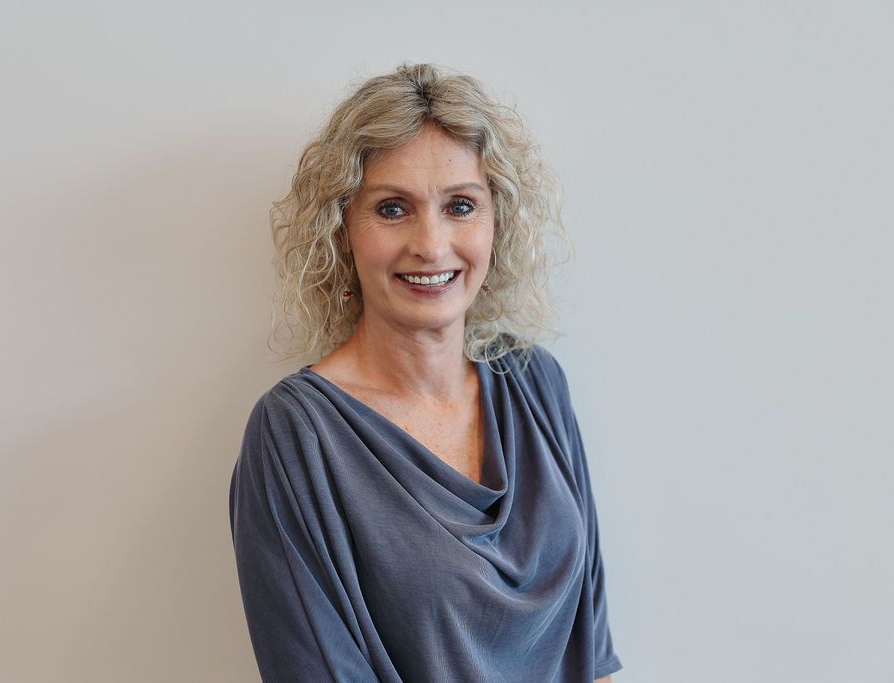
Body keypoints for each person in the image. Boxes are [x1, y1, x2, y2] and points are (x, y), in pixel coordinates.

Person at [229, 63, 622, 682]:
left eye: (461, 205)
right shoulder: (297, 435)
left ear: (498, 222)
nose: (432, 245)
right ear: (342, 230)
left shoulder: (537, 385)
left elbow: (591, 652)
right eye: (392, 209)